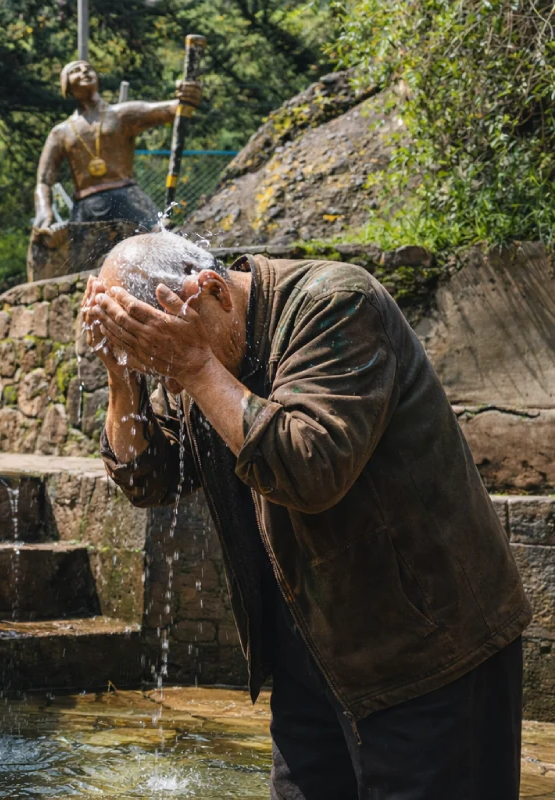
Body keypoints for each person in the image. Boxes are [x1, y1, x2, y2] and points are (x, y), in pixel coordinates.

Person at [81, 230, 532, 798]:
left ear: (214, 289)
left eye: (166, 361)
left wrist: (195, 367)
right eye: (156, 366)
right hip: (312, 662)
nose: (169, 382)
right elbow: (151, 480)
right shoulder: (193, 342)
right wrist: (122, 377)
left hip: (428, 656)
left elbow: (308, 468)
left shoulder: (338, 306)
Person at [32, 61, 202, 239]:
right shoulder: (60, 133)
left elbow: (175, 109)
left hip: (128, 197)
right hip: (86, 205)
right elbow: (44, 181)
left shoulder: (122, 114)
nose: (84, 71)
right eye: (75, 70)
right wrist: (44, 210)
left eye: (88, 68)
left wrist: (187, 95)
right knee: (79, 263)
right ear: (66, 85)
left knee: (161, 242)